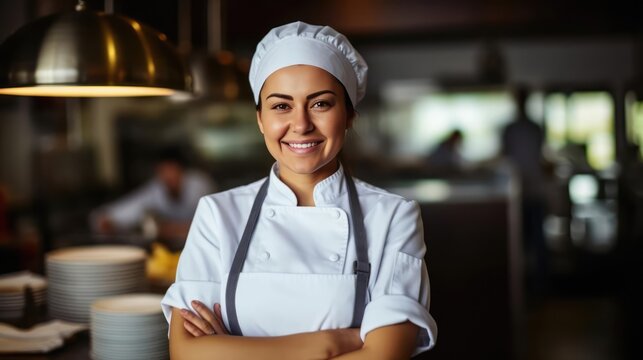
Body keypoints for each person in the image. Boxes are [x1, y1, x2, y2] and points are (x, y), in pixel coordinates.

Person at [161, 21, 437, 359]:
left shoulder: (393, 216)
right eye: (281, 106)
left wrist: (230, 349)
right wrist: (330, 344)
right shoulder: (218, 214)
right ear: (260, 119)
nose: (301, 124)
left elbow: (384, 355)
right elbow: (186, 352)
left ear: (349, 115)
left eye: (320, 104)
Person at [90, 147, 216, 245]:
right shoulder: (157, 189)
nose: (168, 176)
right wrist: (108, 219)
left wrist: (168, 229)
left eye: (172, 170)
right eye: (163, 171)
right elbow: (132, 207)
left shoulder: (199, 184)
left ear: (182, 170)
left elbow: (212, 223)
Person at [501, 85, 548, 298]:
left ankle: (531, 287)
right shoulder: (534, 128)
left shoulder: (512, 129)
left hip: (524, 193)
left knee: (528, 242)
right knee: (533, 241)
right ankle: (534, 286)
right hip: (526, 192)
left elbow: (506, 157)